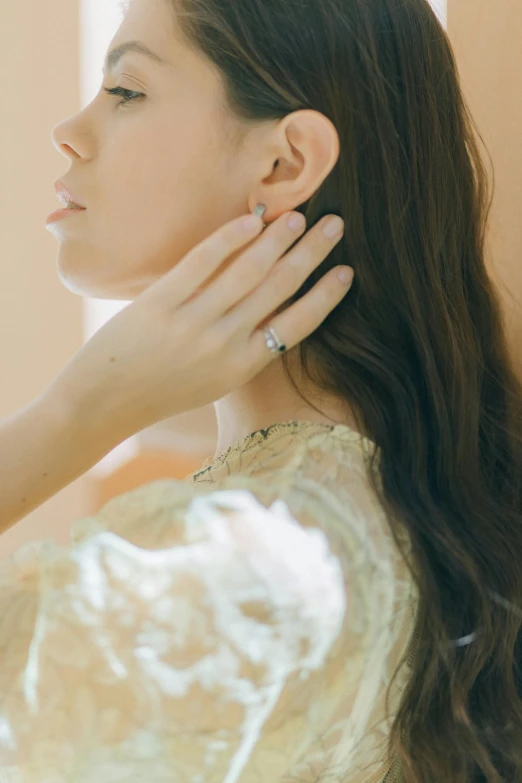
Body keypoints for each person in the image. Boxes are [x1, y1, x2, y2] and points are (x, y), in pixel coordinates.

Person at [0, 0, 521, 779]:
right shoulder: (340, 512)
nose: (69, 131)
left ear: (285, 164)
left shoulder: (265, 559)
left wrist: (78, 411)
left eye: (127, 90)